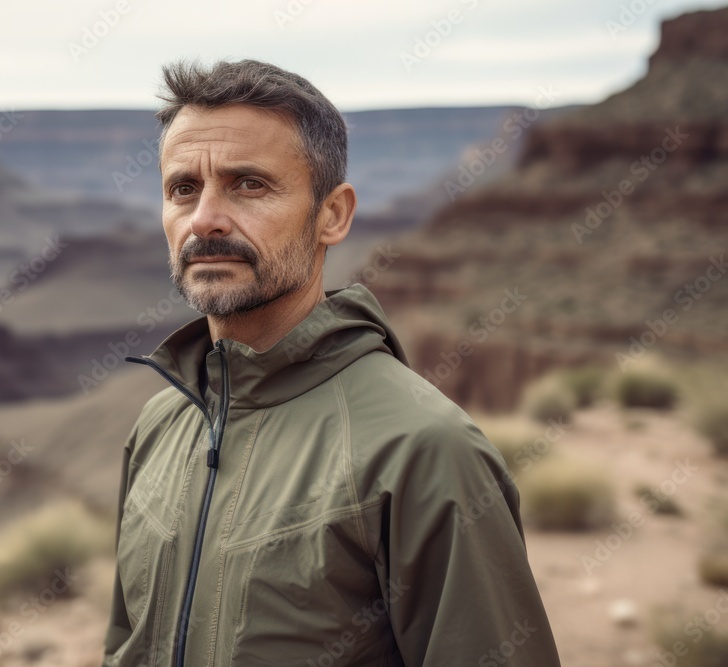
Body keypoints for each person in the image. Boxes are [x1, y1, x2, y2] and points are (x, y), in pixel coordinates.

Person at [102, 58, 561, 667]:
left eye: (249, 185)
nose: (205, 218)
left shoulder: (424, 451)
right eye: (183, 188)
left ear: (333, 215)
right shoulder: (161, 425)